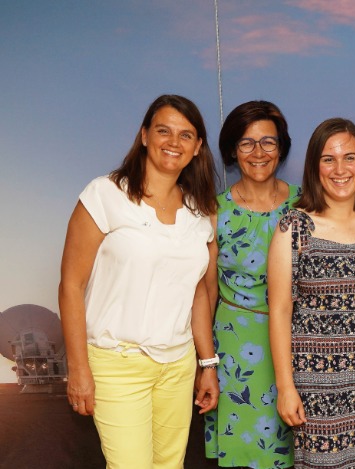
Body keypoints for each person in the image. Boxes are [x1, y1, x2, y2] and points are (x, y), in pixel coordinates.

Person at [58, 94, 219, 468]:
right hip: (117, 363)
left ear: (197, 148)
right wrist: (79, 369)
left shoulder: (200, 211)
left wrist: (207, 363)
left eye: (185, 135)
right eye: (163, 130)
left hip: (178, 365)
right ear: (145, 135)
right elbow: (70, 286)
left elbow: (196, 293)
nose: (173, 142)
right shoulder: (105, 194)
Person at [268, 118, 355, 468]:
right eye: (328, 159)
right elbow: (280, 311)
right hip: (316, 385)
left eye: (349, 157)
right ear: (314, 166)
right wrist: (286, 388)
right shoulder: (294, 228)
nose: (340, 168)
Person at [202, 101, 299, 468]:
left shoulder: (305, 205)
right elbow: (207, 293)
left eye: (268, 142)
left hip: (296, 349)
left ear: (282, 148)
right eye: (246, 143)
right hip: (236, 353)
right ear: (231, 150)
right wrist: (207, 363)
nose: (258, 153)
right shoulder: (214, 212)